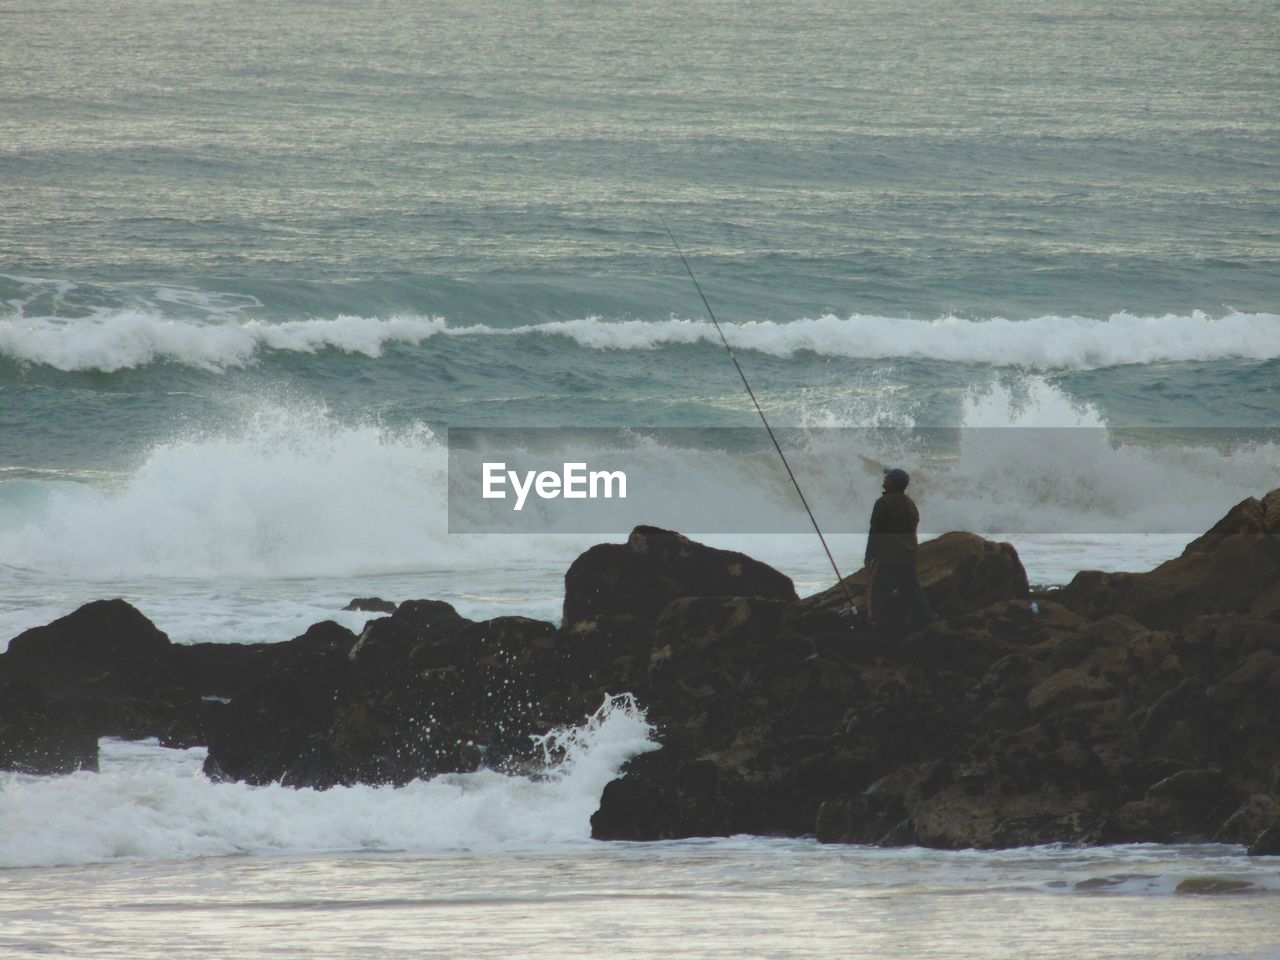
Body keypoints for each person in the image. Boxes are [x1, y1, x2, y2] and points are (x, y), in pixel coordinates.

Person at [864, 466, 929, 637]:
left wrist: (869, 556)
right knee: (913, 590)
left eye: (888, 476)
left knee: (877, 591)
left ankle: (878, 626)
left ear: (893, 482)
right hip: (909, 554)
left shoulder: (883, 503)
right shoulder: (910, 504)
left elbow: (876, 532)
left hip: (888, 556)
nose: (885, 478)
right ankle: (926, 621)